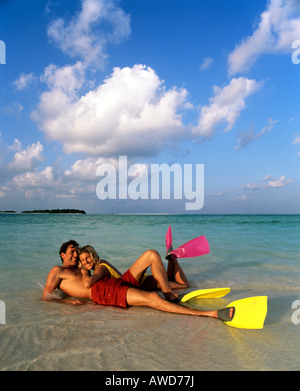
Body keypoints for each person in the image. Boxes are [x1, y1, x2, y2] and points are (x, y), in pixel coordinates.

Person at [41, 240, 234, 322]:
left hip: (117, 285)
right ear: (62, 255)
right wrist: (66, 302)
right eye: (72, 252)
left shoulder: (87, 268)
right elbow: (46, 297)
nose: (76, 255)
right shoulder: (58, 271)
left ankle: (168, 286)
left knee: (151, 254)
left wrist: (87, 269)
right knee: (154, 298)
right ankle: (212, 314)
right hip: (108, 292)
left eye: (79, 252)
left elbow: (98, 278)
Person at [78, 244, 190, 292]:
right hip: (141, 281)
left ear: (93, 255)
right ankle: (172, 259)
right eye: (82, 260)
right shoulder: (101, 263)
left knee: (183, 287)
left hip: (132, 282)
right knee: (170, 281)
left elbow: (87, 284)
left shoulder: (100, 268)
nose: (85, 262)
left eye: (87, 258)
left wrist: (83, 271)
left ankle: (173, 260)